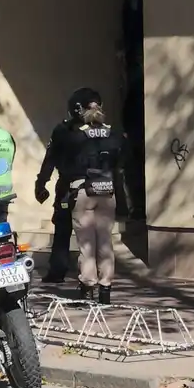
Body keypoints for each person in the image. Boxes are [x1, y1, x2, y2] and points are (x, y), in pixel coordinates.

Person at [34, 87, 102, 284]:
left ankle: (58, 270)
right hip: (97, 187)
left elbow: (50, 159)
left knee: (63, 230)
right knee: (94, 234)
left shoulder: (64, 130)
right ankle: (96, 275)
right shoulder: (104, 131)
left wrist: (41, 184)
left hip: (69, 187)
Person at [69, 98, 124, 303]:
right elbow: (121, 162)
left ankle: (87, 284)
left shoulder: (77, 137)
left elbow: (67, 163)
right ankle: (105, 289)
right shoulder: (114, 136)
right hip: (107, 190)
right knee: (104, 241)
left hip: (83, 190)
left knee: (86, 243)